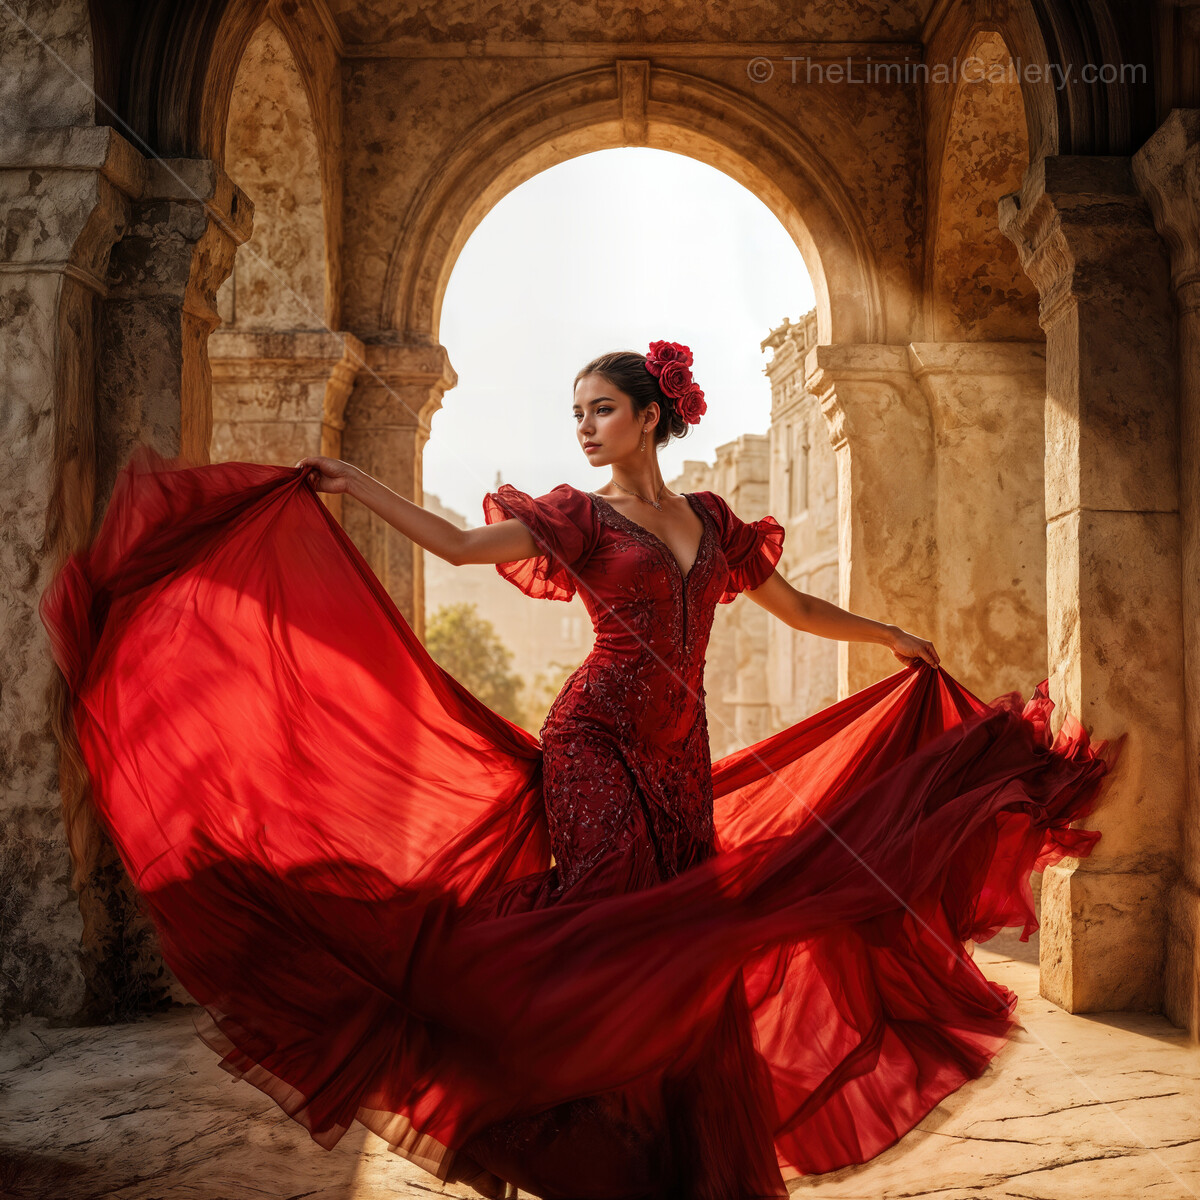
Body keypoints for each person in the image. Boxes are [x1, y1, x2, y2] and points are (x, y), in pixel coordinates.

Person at [40, 341, 1116, 1200]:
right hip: (592, 744)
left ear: (650, 415)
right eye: (575, 414)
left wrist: (888, 632)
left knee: (683, 953)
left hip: (679, 762)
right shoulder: (578, 518)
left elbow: (790, 607)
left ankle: (661, 1164)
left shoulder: (716, 524)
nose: (584, 427)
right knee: (613, 932)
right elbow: (463, 548)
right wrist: (356, 484)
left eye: (599, 409)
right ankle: (566, 1137)